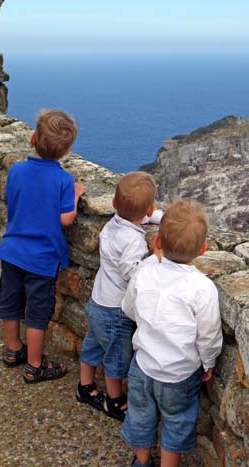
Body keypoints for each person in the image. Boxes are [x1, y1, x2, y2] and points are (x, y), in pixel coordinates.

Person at [122, 200, 222, 467]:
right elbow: (208, 335)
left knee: (141, 415)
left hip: (142, 366)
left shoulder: (143, 271)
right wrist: (208, 362)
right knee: (176, 423)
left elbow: (129, 309)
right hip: (179, 374)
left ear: (157, 241)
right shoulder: (202, 288)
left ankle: (141, 462)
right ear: (203, 249)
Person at [0, 109, 85, 383]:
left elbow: (13, 197)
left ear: (32, 138)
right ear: (66, 150)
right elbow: (66, 219)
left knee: (9, 302)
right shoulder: (63, 180)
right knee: (37, 312)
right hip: (42, 260)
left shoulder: (17, 170)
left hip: (12, 252)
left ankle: (13, 350)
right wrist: (76, 196)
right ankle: (34, 365)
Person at [76, 172, 163, 421]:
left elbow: (137, 217)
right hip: (115, 311)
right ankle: (114, 400)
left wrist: (160, 218)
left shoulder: (113, 223)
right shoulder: (133, 241)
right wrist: (155, 257)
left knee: (92, 345)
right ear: (149, 209)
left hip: (97, 301)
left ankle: (85, 386)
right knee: (115, 356)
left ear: (114, 203)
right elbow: (131, 272)